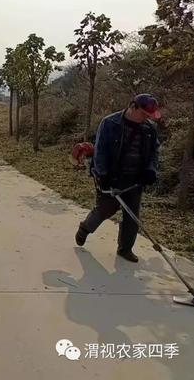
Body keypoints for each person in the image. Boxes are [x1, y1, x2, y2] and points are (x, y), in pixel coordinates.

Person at [75, 93, 161, 262]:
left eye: (148, 116)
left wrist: (151, 170)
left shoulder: (149, 129)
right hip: (111, 177)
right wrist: (102, 174)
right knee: (105, 209)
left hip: (135, 180)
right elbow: (100, 151)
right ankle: (85, 228)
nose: (146, 118)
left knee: (132, 216)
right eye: (143, 114)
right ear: (133, 107)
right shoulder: (110, 123)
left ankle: (125, 249)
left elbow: (154, 152)